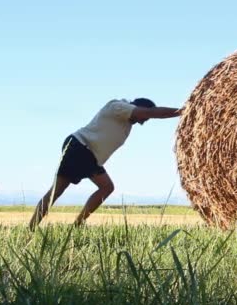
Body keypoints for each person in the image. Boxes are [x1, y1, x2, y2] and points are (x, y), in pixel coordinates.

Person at [29, 98, 181, 230]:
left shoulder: (126, 125)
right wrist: (184, 111)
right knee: (58, 190)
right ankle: (33, 227)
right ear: (139, 107)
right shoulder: (117, 106)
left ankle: (76, 225)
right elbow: (151, 113)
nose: (143, 122)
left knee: (106, 187)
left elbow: (147, 114)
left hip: (89, 155)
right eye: (144, 118)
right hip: (80, 147)